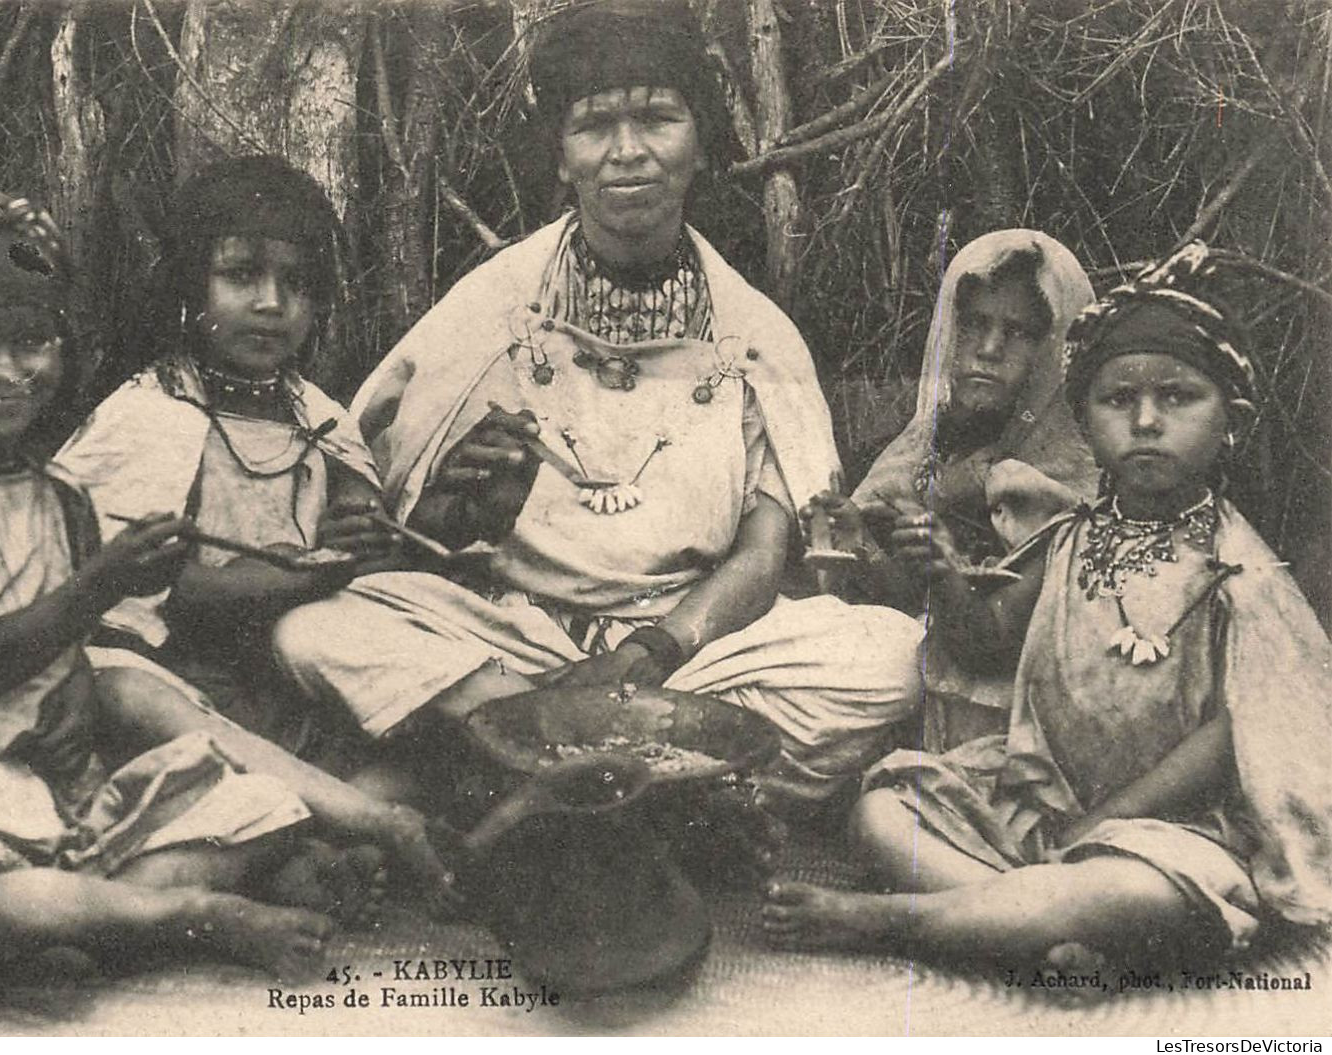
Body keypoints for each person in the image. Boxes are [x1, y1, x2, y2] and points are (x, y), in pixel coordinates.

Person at [0, 188, 443, 1002]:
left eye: (31, 343)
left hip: (11, 774)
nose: (6, 372)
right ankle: (179, 913)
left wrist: (71, 733)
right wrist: (101, 587)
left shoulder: (44, 490)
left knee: (251, 805)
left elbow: (50, 670)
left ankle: (104, 914)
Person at [274, 0, 922, 809]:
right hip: (510, 635)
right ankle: (666, 787)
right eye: (594, 125)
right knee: (318, 629)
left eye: (656, 118)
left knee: (890, 654)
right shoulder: (495, 310)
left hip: (683, 646)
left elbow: (764, 552)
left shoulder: (752, 332)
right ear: (560, 155)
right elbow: (400, 521)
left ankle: (514, 769)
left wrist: (653, 649)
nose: (627, 153)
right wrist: (462, 504)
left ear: (699, 142)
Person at [762, 243, 1332, 968]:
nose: (1146, 421)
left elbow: (1232, 732)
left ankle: (902, 919)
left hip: (1167, 828)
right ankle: (1037, 926)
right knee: (881, 814)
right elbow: (987, 641)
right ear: (1083, 419)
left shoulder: (1236, 569)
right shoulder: (1070, 535)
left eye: (1177, 397)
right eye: (1118, 400)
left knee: (1144, 890)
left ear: (1231, 418)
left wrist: (1106, 819)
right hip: (1042, 800)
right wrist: (943, 575)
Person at [55, 156, 401, 757]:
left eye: (296, 284)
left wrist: (362, 534)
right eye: (241, 276)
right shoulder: (150, 415)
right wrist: (313, 570)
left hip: (299, 663)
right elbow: (160, 596)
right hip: (174, 670)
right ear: (192, 286)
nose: (272, 303)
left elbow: (365, 542)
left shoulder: (320, 417)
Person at [826, 231, 1097, 749]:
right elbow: (901, 593)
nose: (989, 350)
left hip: (1003, 719)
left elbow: (1002, 640)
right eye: (974, 325)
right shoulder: (918, 451)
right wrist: (856, 542)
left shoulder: (1075, 486)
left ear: (1056, 348)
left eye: (1018, 333)